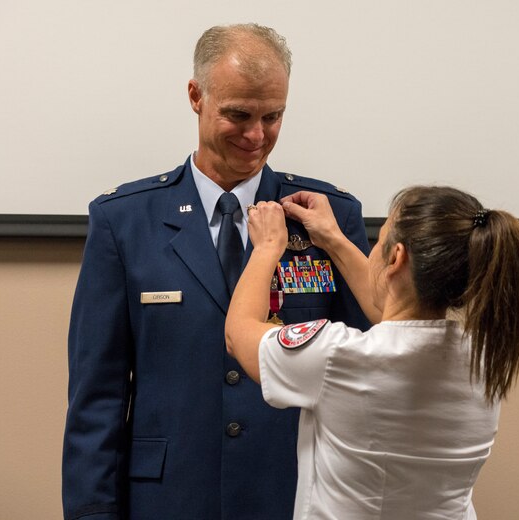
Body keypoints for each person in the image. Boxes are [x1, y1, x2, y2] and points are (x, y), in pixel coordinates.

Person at [61, 23, 370, 520]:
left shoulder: (327, 218)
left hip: (295, 495)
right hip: (169, 497)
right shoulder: (124, 221)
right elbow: (97, 396)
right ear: (195, 96)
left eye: (273, 116)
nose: (256, 135)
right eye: (239, 115)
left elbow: (371, 370)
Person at [225, 186, 519, 519]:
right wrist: (333, 238)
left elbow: (239, 334)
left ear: (395, 257)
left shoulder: (338, 357)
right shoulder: (484, 358)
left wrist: (267, 247)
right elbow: (394, 315)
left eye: (379, 240)